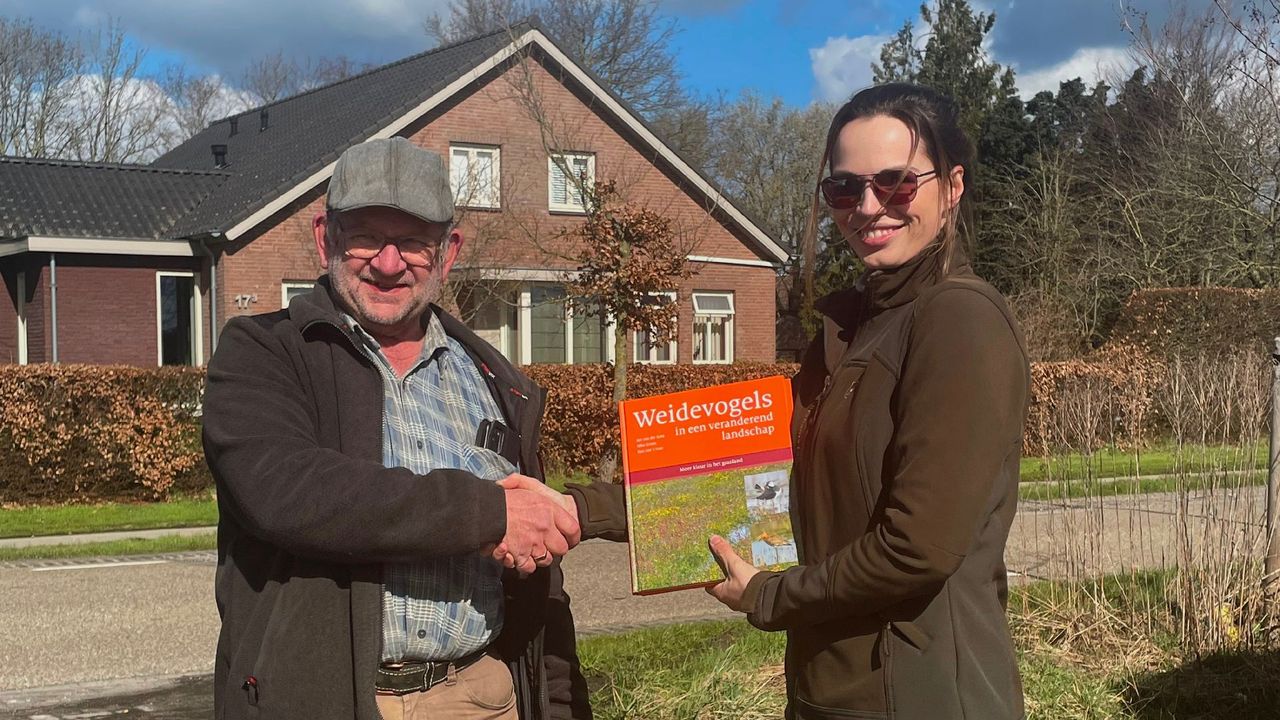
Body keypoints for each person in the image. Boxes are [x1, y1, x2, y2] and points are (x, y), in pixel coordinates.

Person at [203, 137, 600, 720]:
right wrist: (490, 512)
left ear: (448, 252)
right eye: (365, 235)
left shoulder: (496, 380)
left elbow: (541, 576)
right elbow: (288, 492)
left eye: (413, 241)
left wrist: (561, 702)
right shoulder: (262, 352)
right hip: (326, 701)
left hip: (482, 696)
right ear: (325, 239)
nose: (388, 264)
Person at [706, 83, 1031, 720]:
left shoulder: (958, 320)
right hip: (835, 688)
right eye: (844, 188)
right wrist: (581, 511)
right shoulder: (852, 329)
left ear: (953, 186)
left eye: (897, 183)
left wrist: (770, 597)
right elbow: (756, 471)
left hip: (921, 694)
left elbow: (917, 548)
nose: (869, 205)